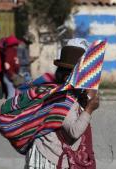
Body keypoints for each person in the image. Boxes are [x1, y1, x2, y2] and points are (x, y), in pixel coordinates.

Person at [25, 38, 97, 169]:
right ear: (69, 76)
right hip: (49, 158)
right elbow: (74, 131)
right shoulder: (63, 98)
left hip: (44, 153)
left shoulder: (54, 88)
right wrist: (89, 109)